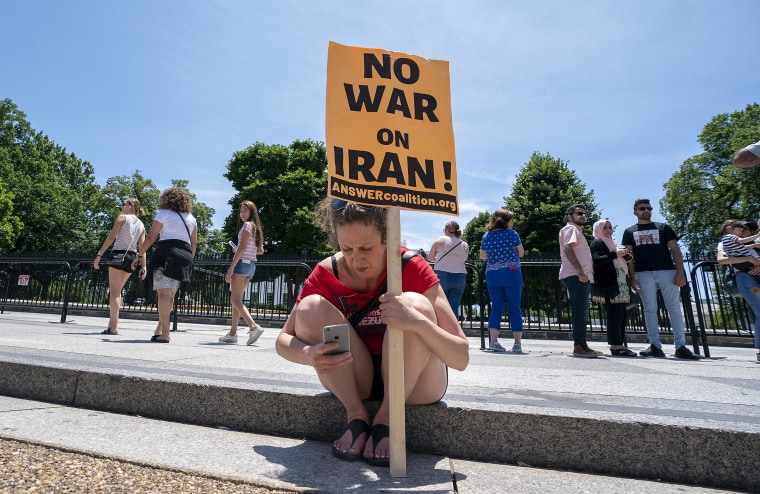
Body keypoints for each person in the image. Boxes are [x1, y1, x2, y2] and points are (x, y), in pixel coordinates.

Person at [274, 198, 469, 466]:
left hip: (418, 383)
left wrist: (418, 322)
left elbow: (460, 357)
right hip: (357, 378)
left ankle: (387, 419)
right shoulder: (325, 272)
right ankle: (356, 416)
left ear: (389, 238)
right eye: (346, 248)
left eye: (366, 247)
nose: (356, 259)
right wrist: (309, 354)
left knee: (415, 304)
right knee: (310, 308)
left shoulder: (410, 265)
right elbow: (283, 341)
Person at [622, 199, 698, 359]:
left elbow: (675, 249)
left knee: (674, 308)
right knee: (649, 309)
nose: (646, 210)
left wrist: (680, 272)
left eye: (649, 208)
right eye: (642, 208)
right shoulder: (629, 231)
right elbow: (629, 256)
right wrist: (632, 277)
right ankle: (655, 345)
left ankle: (681, 346)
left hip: (667, 271)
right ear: (635, 211)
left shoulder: (663, 227)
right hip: (643, 273)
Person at [132, 187, 197, 343]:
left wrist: (139, 255)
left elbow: (151, 237)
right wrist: (189, 260)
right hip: (185, 255)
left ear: (167, 199)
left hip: (167, 253)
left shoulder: (164, 214)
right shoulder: (191, 218)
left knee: (163, 294)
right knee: (171, 295)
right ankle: (160, 329)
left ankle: (166, 334)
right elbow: (194, 242)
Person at [93, 198, 146, 335]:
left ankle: (113, 327)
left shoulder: (122, 218)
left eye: (124, 204)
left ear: (131, 206)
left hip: (118, 255)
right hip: (132, 258)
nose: (121, 206)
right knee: (118, 291)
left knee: (115, 291)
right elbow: (142, 248)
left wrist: (99, 254)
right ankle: (112, 325)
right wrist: (143, 266)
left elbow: (111, 237)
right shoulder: (141, 224)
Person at [558, 204, 603, 358]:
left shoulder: (576, 230)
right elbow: (568, 248)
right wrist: (580, 271)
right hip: (576, 275)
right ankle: (579, 346)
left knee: (582, 310)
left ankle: (582, 345)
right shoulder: (571, 229)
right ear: (570, 217)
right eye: (579, 213)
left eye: (584, 213)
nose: (583, 216)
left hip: (579, 275)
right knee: (580, 311)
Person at [219, 200, 266, 345]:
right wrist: (239, 248)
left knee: (235, 300)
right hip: (251, 265)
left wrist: (230, 268)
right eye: (240, 211)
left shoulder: (247, 226)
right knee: (237, 300)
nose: (242, 213)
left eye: (245, 210)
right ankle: (233, 333)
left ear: (251, 212)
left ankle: (253, 327)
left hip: (241, 264)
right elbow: (260, 251)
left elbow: (242, 248)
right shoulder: (256, 228)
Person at [479, 210, 524, 353]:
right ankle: (517, 344)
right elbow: (521, 253)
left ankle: (493, 341)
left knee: (496, 307)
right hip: (511, 273)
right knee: (514, 308)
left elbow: (483, 256)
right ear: (505, 221)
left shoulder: (486, 236)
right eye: (510, 220)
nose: (512, 222)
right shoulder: (512, 234)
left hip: (492, 274)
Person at [590, 220, 636, 356]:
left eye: (610, 227)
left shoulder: (612, 243)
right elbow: (597, 260)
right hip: (610, 284)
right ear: (598, 229)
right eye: (605, 228)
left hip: (620, 283)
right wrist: (616, 254)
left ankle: (620, 344)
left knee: (621, 315)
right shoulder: (598, 242)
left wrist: (623, 255)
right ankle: (616, 346)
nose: (608, 230)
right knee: (614, 315)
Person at [717, 220, 760, 362]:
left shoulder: (753, 243)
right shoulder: (726, 242)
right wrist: (748, 258)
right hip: (746, 277)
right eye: (743, 229)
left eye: (748, 230)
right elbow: (722, 260)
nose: (746, 231)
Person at [428, 221, 469, 319]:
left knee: (440, 305)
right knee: (454, 306)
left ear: (446, 230)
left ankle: (440, 330)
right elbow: (464, 259)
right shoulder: (464, 244)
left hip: (442, 274)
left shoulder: (440, 240)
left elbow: (430, 258)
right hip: (460, 276)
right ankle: (454, 331)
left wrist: (439, 258)